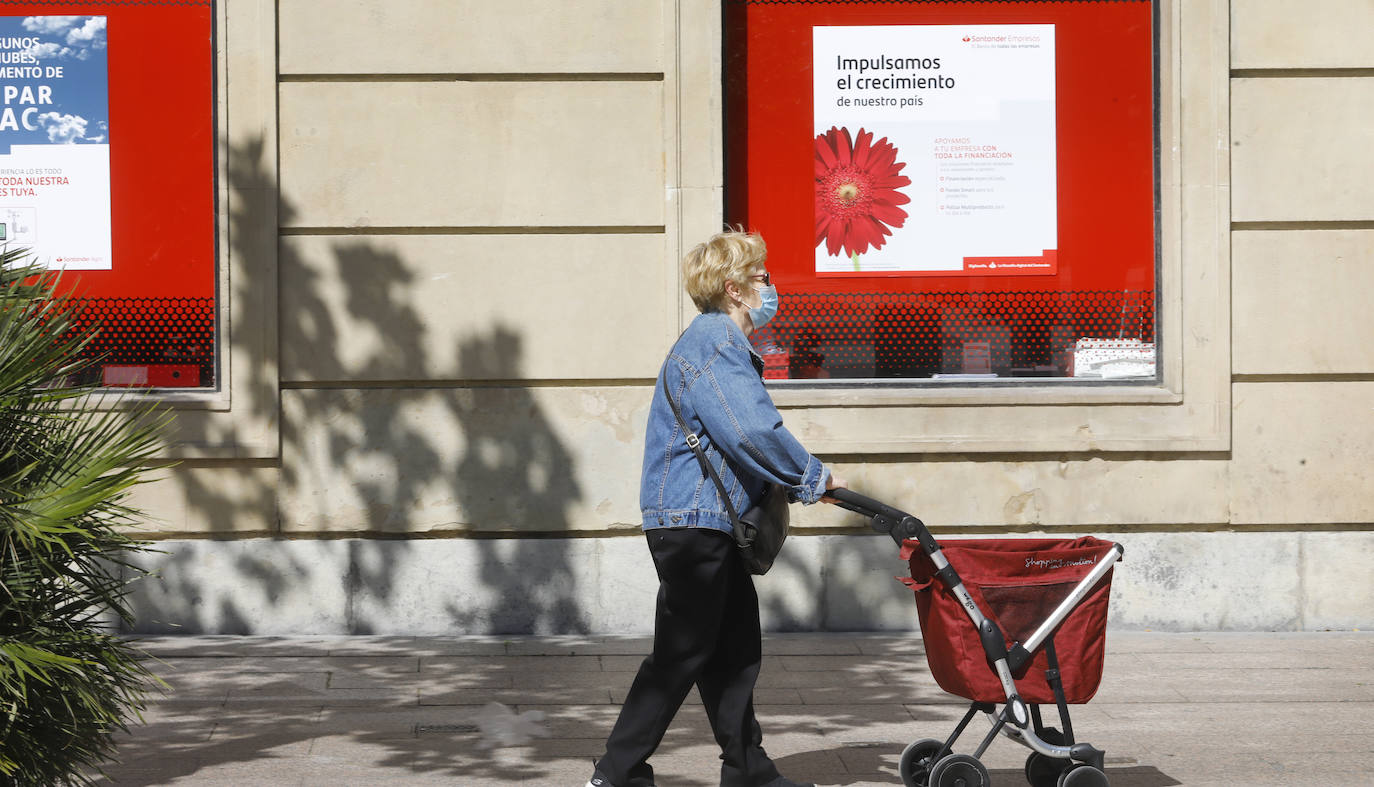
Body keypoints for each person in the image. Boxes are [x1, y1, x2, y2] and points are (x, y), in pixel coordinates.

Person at [587, 230, 847, 787]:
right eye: (762, 278)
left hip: (706, 524)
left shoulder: (716, 342)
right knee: (681, 652)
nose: (770, 287)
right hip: (694, 524)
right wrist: (811, 477)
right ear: (734, 288)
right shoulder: (714, 341)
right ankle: (616, 772)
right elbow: (749, 429)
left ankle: (747, 767)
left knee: (733, 650)